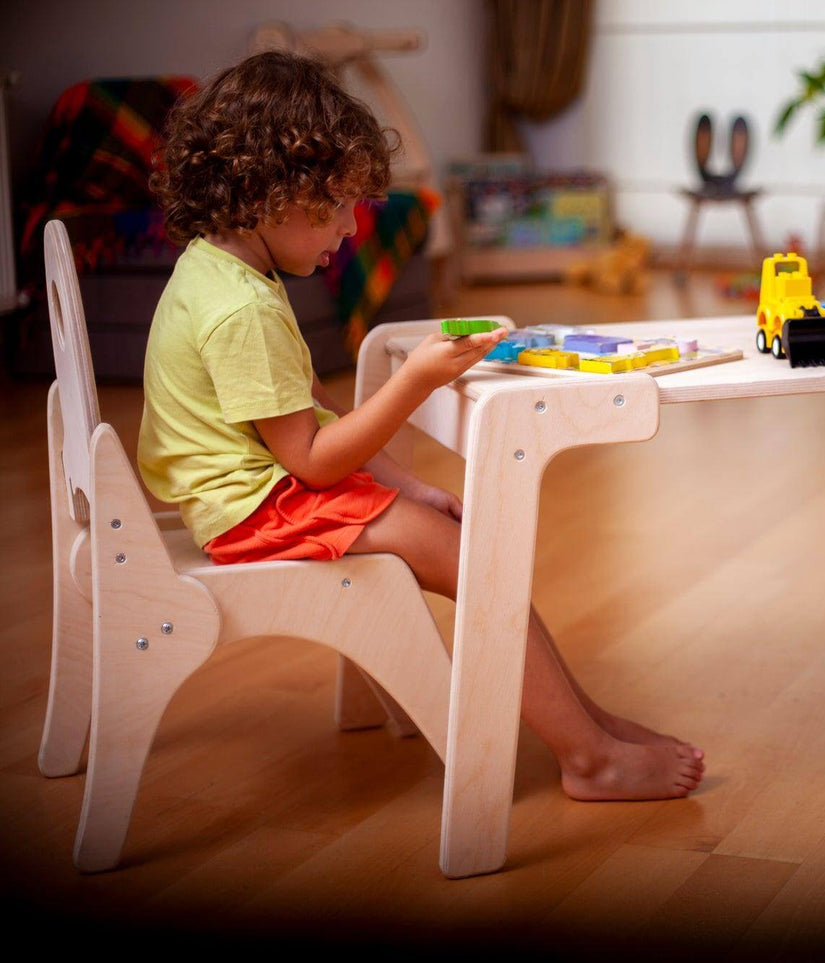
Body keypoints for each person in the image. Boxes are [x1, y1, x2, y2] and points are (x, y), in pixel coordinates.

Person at [138, 51, 703, 800]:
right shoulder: (243, 311)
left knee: (465, 545)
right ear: (265, 194)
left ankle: (586, 725)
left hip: (253, 496)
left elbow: (311, 412)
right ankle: (588, 757)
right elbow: (309, 461)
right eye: (334, 206)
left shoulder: (225, 271)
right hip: (250, 512)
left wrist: (403, 488)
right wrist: (414, 381)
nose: (349, 227)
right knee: (473, 558)